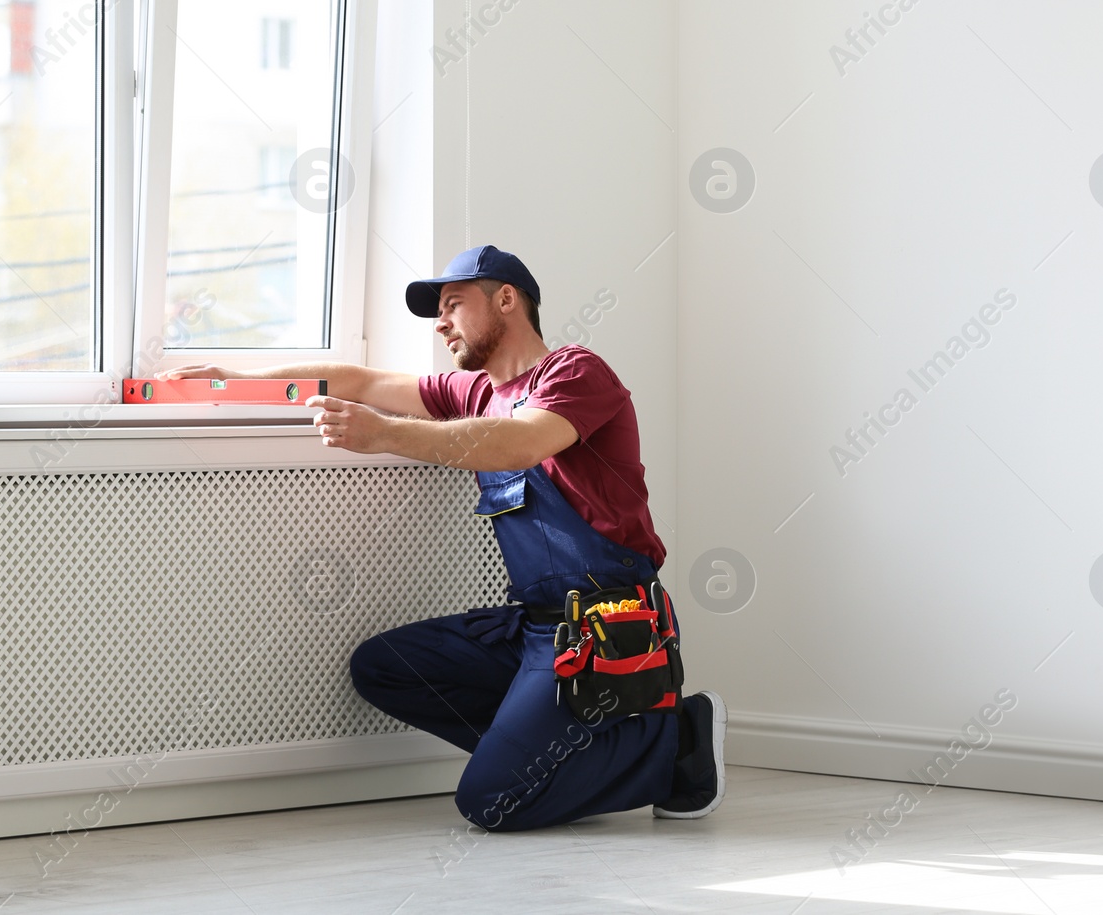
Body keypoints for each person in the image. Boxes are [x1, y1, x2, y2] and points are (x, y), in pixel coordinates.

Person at [160, 245, 725, 830]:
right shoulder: (477, 394)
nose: (440, 322)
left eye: (454, 304)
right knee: (387, 666)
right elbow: (363, 380)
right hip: (537, 628)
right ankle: (555, 749)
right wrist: (239, 380)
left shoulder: (575, 372)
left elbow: (520, 444)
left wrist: (385, 435)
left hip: (612, 624)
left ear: (507, 299)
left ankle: (675, 740)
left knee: (491, 803)